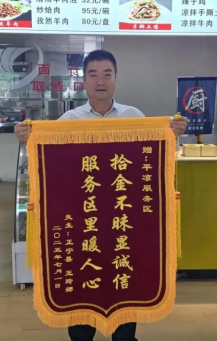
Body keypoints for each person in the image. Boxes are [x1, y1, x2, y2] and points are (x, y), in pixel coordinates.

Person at [15, 49, 187, 341]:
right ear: (84, 81)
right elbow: (51, 168)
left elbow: (153, 161)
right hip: (85, 223)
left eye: (107, 74)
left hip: (124, 222)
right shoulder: (68, 121)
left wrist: (173, 133)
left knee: (124, 287)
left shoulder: (134, 117)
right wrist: (27, 137)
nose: (100, 81)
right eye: (93, 75)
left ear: (116, 78)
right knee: (83, 299)